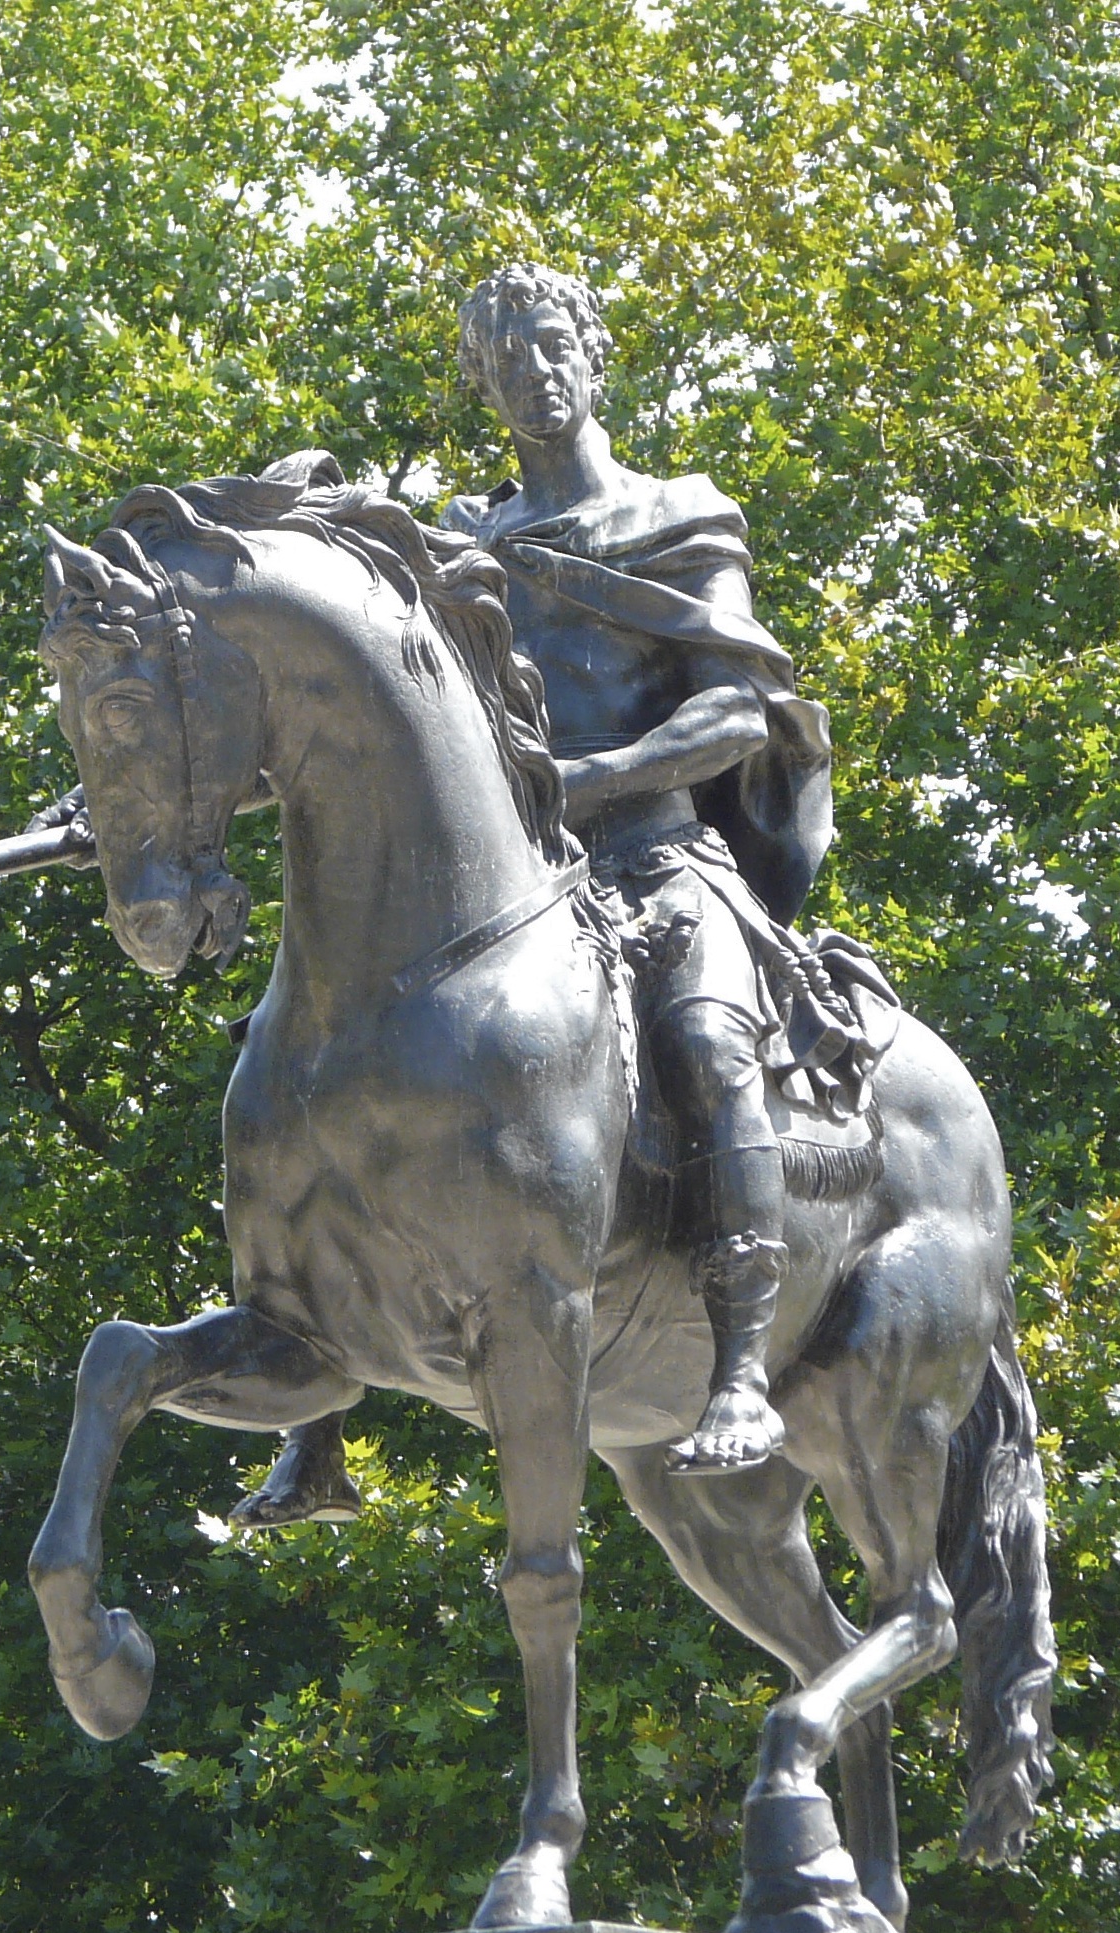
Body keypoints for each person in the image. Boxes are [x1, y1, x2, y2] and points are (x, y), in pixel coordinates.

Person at [438, 260, 882, 1476]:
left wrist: (585, 780)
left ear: (592, 352)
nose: (534, 370)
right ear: (483, 381)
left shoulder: (676, 515)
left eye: (550, 343)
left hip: (654, 856)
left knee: (706, 1040)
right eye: (506, 355)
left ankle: (740, 1369)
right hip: (511, 888)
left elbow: (733, 717)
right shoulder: (464, 550)